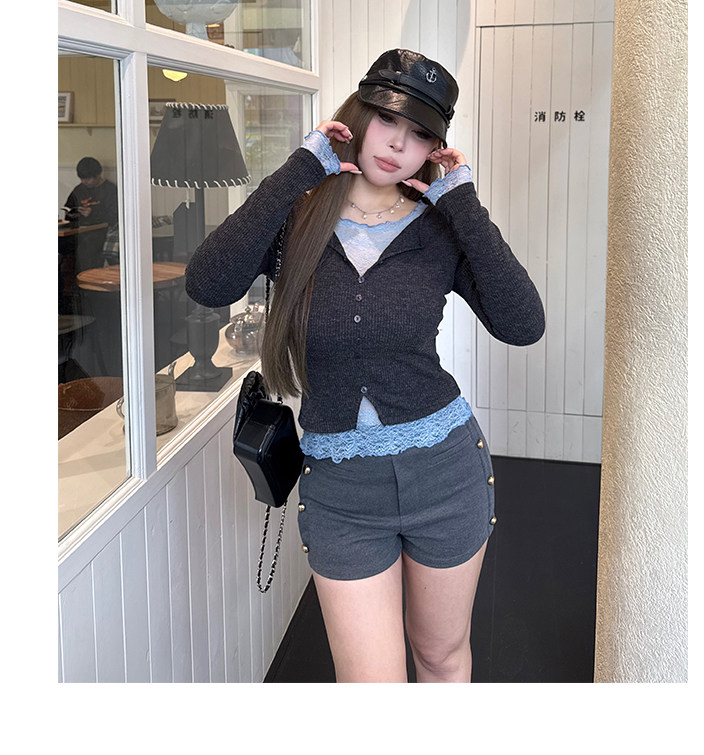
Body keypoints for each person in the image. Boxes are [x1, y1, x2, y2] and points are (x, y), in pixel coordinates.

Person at [185, 49, 545, 683]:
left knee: (441, 658)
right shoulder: (296, 221)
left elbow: (523, 325)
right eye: (388, 120)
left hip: (444, 472)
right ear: (358, 115)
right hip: (341, 491)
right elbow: (208, 283)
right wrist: (300, 170)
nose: (399, 144)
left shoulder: (438, 229)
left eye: (421, 135)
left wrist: (462, 204)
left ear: (435, 149)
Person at [64, 157, 118, 228]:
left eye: (88, 179)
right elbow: (68, 209)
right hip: (79, 229)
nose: (84, 182)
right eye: (81, 179)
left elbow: (114, 217)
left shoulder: (110, 190)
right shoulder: (79, 189)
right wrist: (71, 215)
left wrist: (92, 213)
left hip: (101, 229)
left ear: (98, 175)